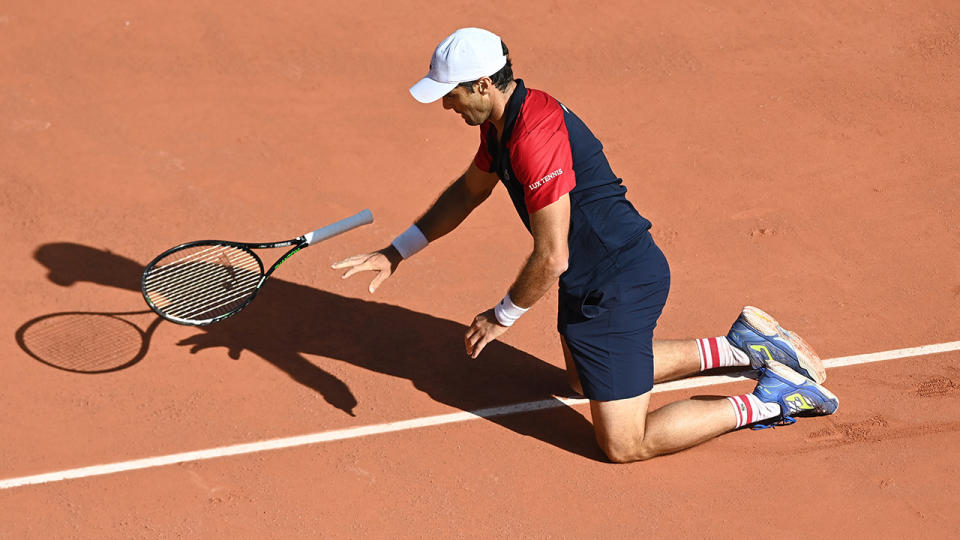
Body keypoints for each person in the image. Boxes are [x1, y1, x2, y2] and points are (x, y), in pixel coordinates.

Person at [333, 27, 838, 462]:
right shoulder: (503, 121)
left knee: (625, 443)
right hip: (592, 277)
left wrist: (500, 316)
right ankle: (740, 347)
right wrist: (395, 251)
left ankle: (776, 399)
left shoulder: (533, 139)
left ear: (483, 84)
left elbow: (552, 256)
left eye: (452, 93)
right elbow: (469, 192)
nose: (445, 103)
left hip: (618, 279)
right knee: (581, 383)